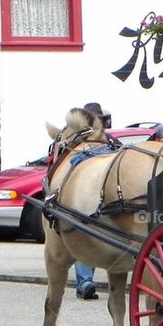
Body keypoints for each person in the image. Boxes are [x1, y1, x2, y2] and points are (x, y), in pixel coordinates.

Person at [71, 101, 108, 300]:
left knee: (84, 235)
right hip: (99, 198)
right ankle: (85, 282)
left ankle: (85, 282)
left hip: (91, 196)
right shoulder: (102, 140)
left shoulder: (86, 141)